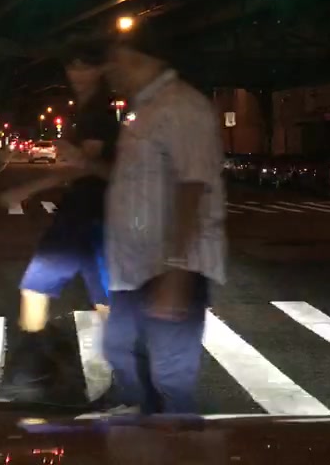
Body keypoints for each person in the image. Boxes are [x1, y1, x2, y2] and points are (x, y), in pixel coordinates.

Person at [101, 28, 226, 415]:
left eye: (119, 61)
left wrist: (176, 270)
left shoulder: (182, 106)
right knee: (122, 351)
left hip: (169, 267)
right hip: (135, 269)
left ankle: (177, 437)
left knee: (170, 377)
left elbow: (193, 185)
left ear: (146, 61)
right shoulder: (143, 109)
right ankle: (148, 430)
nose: (112, 70)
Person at [0, 38, 119, 402]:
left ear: (101, 69)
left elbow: (82, 166)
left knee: (40, 285)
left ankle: (32, 371)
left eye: (85, 66)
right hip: (91, 213)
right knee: (100, 298)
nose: (77, 74)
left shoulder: (96, 112)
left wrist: (28, 188)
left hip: (88, 213)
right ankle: (124, 378)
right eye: (72, 66)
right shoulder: (91, 109)